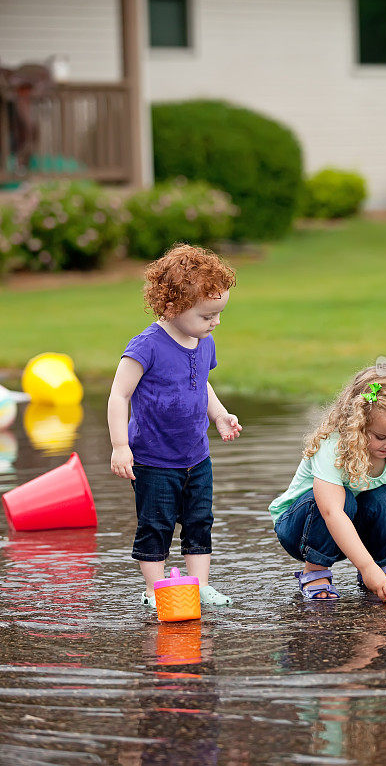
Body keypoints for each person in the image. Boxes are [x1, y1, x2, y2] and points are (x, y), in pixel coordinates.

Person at [108, 243, 241, 608]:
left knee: (200, 521)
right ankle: (155, 589)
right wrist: (121, 446)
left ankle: (199, 585)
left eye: (218, 314)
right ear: (171, 307)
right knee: (156, 524)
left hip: (196, 455)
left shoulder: (203, 341)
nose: (215, 323)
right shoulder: (146, 346)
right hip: (153, 459)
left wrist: (219, 414)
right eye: (207, 315)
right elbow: (119, 395)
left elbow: (202, 384)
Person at [269, 365, 386, 601]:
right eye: (381, 437)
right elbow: (331, 511)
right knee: (341, 501)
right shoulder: (333, 447)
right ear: (357, 422)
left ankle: (378, 566)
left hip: (348, 527)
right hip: (299, 528)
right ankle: (315, 572)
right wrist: (365, 566)